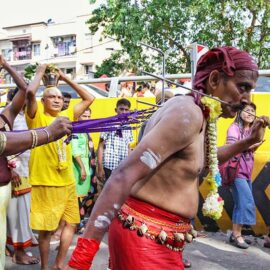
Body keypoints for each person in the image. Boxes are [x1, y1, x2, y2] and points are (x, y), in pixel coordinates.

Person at [66, 46, 270, 270]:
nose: (246, 99)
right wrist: (82, 258)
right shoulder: (188, 114)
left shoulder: (200, 115)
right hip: (144, 237)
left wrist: (248, 141)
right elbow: (123, 175)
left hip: (161, 237)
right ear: (214, 80)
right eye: (242, 87)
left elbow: (203, 161)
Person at [25, 64, 95, 270]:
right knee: (46, 231)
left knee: (72, 224)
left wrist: (64, 77)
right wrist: (39, 72)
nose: (57, 100)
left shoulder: (67, 119)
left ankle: (59, 265)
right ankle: (45, 268)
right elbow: (30, 92)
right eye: (51, 97)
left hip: (67, 181)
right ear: (43, 101)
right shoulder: (36, 117)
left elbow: (89, 99)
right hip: (46, 182)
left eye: (59, 98)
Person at [5, 88, 39, 265]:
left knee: (20, 212)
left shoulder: (24, 117)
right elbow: (3, 144)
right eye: (24, 98)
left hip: (27, 171)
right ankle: (19, 252)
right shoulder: (6, 115)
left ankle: (13, 248)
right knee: (18, 214)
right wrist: (10, 168)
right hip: (15, 173)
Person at [226, 102, 262, 249]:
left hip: (247, 171)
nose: (250, 113)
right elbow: (231, 148)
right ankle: (237, 235)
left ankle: (235, 234)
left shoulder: (252, 131)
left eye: (253, 111)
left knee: (239, 203)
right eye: (247, 110)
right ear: (239, 113)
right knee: (245, 202)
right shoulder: (234, 128)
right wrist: (248, 146)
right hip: (236, 171)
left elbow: (257, 141)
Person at [96, 98, 133, 190]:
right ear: (116, 110)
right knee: (107, 192)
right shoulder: (108, 124)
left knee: (119, 192)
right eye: (121, 109)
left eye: (126, 110)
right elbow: (100, 146)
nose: (123, 112)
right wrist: (100, 167)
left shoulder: (128, 126)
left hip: (122, 167)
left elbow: (128, 147)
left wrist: (128, 165)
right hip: (108, 165)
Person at [71, 108, 93, 232]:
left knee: (83, 197)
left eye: (89, 116)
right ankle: (76, 224)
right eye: (84, 116)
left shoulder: (85, 130)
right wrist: (82, 169)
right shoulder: (75, 130)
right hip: (78, 168)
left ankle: (78, 222)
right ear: (78, 116)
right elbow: (75, 151)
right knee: (77, 197)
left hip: (86, 166)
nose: (87, 119)